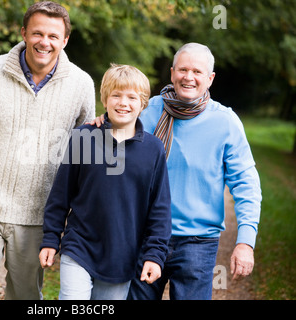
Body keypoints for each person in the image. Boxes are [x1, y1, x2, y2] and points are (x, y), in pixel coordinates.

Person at [0, 1, 95, 300]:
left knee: (25, 295)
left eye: (53, 36)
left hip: (38, 214)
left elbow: (83, 152)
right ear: (24, 33)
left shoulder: (81, 85)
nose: (44, 42)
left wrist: (71, 209)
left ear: (64, 41)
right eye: (37, 33)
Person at [92, 43, 262, 300]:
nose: (189, 77)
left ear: (210, 78)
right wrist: (100, 123)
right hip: (143, 235)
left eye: (197, 71)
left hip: (198, 243)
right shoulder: (147, 110)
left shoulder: (225, 122)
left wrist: (245, 241)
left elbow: (246, 184)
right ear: (172, 73)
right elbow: (110, 143)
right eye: (183, 70)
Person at [39, 64, 171, 300]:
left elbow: (159, 210)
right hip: (79, 247)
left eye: (131, 97)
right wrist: (50, 238)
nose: (123, 103)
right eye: (116, 95)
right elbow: (61, 194)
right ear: (105, 99)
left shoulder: (153, 149)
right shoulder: (83, 138)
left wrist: (154, 255)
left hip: (122, 256)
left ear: (142, 104)